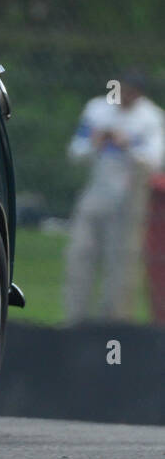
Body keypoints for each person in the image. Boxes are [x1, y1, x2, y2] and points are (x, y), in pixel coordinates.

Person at [63, 71, 165, 323]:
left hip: (128, 203)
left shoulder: (150, 117)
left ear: (139, 94)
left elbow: (155, 161)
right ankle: (75, 322)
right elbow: (76, 152)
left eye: (130, 92)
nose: (124, 96)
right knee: (80, 255)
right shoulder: (98, 109)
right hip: (95, 195)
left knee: (119, 266)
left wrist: (127, 144)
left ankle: (112, 325)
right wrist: (95, 143)